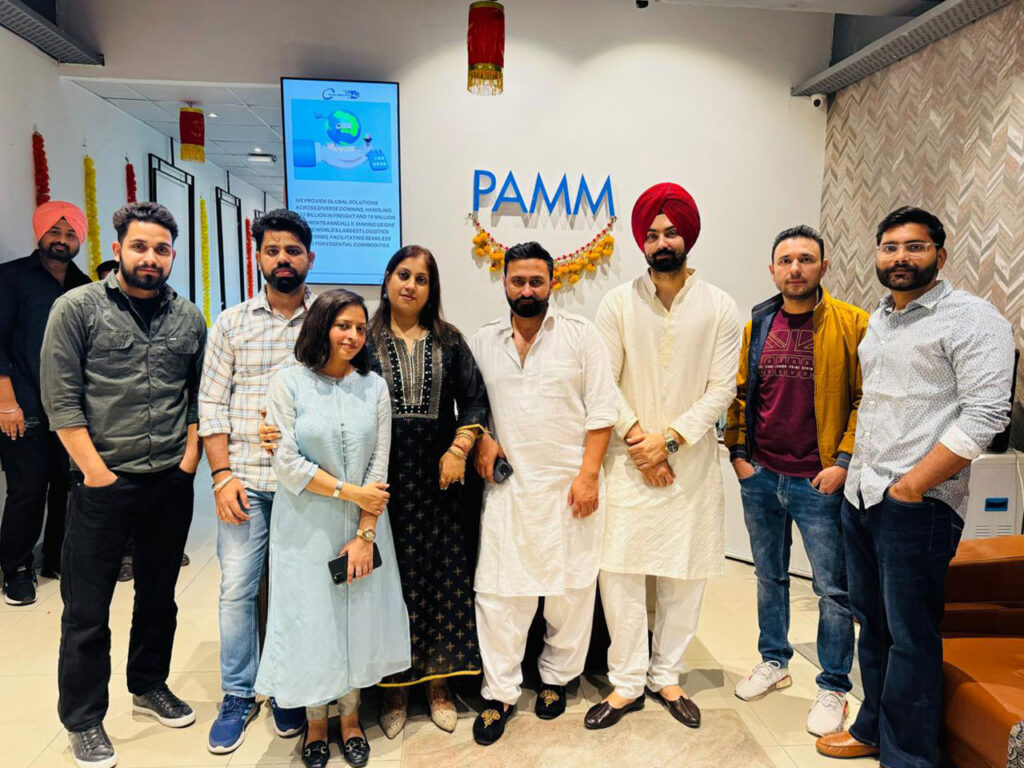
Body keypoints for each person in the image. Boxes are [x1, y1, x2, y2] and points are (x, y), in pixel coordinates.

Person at [816, 207, 1014, 768]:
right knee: (873, 627)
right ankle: (873, 730)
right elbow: (875, 404)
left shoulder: (973, 319)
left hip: (918, 505)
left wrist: (911, 487)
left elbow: (985, 416)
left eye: (915, 246)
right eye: (890, 247)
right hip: (862, 497)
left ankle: (909, 757)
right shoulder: (881, 319)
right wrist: (855, 474)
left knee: (910, 635)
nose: (900, 257)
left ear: (940, 255)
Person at [41, 201, 206, 768]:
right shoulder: (76, 309)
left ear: (173, 255)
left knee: (159, 596)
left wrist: (188, 463)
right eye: (140, 247)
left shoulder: (189, 318)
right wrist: (97, 474)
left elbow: (198, 399)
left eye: (161, 249)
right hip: (101, 484)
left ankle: (149, 684)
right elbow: (61, 401)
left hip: (169, 482)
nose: (150, 258)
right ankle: (84, 719)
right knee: (87, 609)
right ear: (117, 250)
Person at [590, 182, 739, 731]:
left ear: (687, 236)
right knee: (620, 574)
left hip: (689, 464)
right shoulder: (617, 302)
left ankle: (667, 676)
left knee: (685, 572)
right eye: (651, 235)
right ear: (641, 242)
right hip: (628, 462)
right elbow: (602, 381)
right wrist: (642, 444)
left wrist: (669, 441)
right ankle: (627, 682)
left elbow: (722, 388)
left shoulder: (719, 306)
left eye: (670, 232)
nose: (661, 243)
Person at [469, 241, 618, 746]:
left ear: (552, 283)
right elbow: (470, 405)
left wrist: (589, 475)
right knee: (499, 595)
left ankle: (556, 678)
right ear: (504, 283)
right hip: (508, 489)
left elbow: (603, 411)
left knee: (569, 591)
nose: (527, 290)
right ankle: (499, 693)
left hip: (568, 487)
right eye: (518, 281)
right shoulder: (484, 340)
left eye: (536, 281)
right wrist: (482, 437)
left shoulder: (580, 335)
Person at [255, 289, 410, 768]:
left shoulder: (373, 387)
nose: (354, 336)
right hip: (305, 527)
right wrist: (351, 493)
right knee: (313, 622)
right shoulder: (288, 383)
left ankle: (351, 718)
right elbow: (286, 464)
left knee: (356, 621)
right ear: (321, 326)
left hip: (363, 526)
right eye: (344, 325)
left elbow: (379, 463)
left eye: (361, 328)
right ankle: (316, 723)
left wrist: (365, 534)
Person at [724, 225, 866, 735]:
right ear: (773, 270)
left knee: (832, 590)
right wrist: (738, 454)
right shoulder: (759, 322)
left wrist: (844, 461)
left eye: (806, 259)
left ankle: (834, 686)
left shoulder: (853, 323)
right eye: (786, 260)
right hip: (762, 474)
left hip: (819, 481)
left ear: (823, 267)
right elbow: (741, 393)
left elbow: (864, 399)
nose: (795, 268)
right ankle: (774, 660)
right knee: (769, 576)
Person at [198, 210, 315, 753]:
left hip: (306, 485)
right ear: (259, 257)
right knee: (238, 590)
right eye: (273, 250)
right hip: (244, 480)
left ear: (309, 257)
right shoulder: (231, 323)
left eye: (293, 250)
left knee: (298, 590)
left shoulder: (327, 320)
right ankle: (239, 693)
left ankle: (288, 685)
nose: (283, 259)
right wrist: (221, 475)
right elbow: (211, 405)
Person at [367, 246, 488, 736]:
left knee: (443, 578)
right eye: (403, 274)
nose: (411, 285)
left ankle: (440, 685)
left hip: (441, 482)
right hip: (383, 480)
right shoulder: (364, 339)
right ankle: (394, 687)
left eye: (422, 279)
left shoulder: (449, 340)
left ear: (431, 289)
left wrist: (459, 448)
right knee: (390, 582)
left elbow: (475, 402)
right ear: (387, 280)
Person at [0, 202, 91, 604]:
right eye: (55, 231)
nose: (62, 240)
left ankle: (56, 557)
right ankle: (16, 569)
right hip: (23, 403)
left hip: (70, 406)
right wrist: (7, 403)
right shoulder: (11, 277)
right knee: (28, 488)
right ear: (40, 233)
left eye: (70, 234)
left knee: (67, 485)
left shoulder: (84, 286)